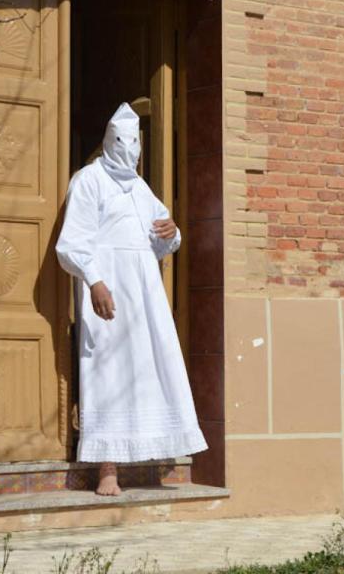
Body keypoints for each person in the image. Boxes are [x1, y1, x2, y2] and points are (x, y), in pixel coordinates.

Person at [56, 102, 207, 496]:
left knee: (147, 367)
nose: (130, 150)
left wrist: (171, 232)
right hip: (108, 292)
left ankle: (151, 455)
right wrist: (95, 282)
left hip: (144, 295)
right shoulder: (88, 180)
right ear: (109, 141)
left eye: (135, 143)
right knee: (107, 371)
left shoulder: (140, 188)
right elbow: (72, 242)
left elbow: (161, 240)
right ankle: (108, 469)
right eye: (124, 142)